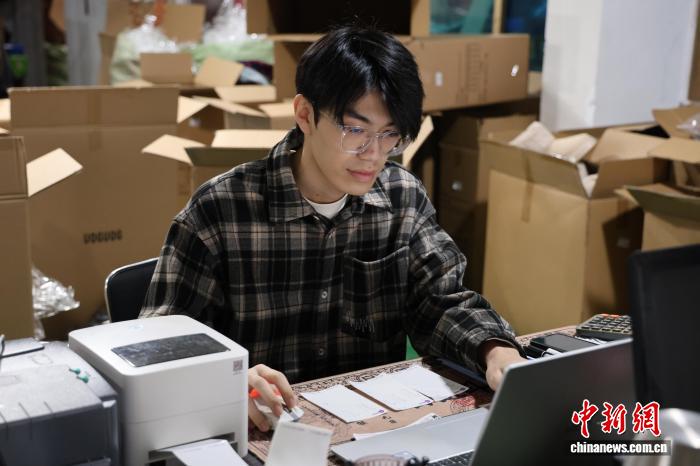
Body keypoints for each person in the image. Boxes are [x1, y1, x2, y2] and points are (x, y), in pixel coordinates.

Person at [140, 25, 525, 432]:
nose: (373, 155)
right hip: (259, 430)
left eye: (390, 135)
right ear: (305, 114)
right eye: (355, 130)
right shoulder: (219, 210)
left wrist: (496, 351)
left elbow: (442, 302)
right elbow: (156, 346)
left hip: (369, 432)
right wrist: (225, 381)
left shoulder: (402, 198)